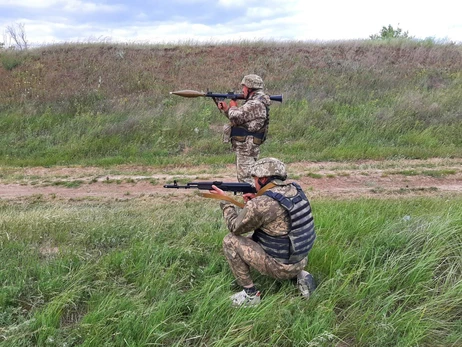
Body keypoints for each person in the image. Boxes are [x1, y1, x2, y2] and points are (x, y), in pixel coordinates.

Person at [209, 157, 316, 307]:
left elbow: (234, 227)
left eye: (255, 179)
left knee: (230, 241)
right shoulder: (295, 189)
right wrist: (255, 201)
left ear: (263, 178)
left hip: (280, 267)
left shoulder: (261, 203)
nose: (254, 182)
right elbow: (276, 214)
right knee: (269, 235)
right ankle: (300, 275)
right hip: (301, 259)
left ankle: (250, 295)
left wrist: (225, 201)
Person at [217, 74, 271, 185]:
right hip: (247, 146)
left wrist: (233, 106)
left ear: (250, 88)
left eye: (244, 87)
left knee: (247, 180)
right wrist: (227, 109)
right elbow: (240, 120)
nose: (242, 90)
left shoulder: (255, 103)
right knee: (246, 177)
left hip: (247, 147)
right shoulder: (255, 101)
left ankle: (253, 201)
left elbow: (236, 115)